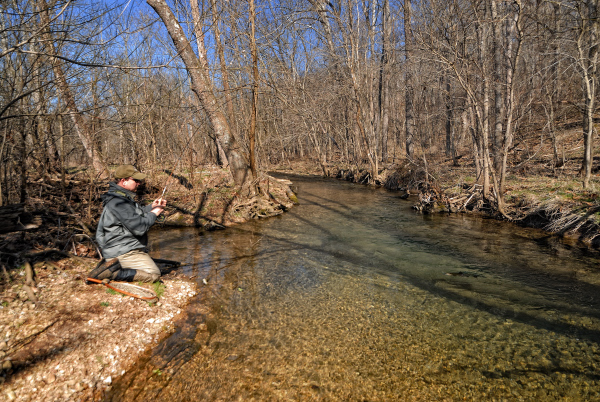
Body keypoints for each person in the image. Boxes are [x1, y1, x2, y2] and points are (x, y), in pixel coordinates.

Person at [90, 164, 166, 283]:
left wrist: (152, 207)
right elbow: (140, 228)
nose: (139, 183)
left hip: (120, 247)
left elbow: (135, 214)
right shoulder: (118, 202)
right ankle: (112, 273)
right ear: (123, 181)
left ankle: (113, 265)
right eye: (136, 180)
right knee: (154, 275)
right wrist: (155, 213)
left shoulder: (120, 198)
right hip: (122, 251)